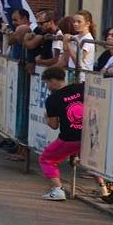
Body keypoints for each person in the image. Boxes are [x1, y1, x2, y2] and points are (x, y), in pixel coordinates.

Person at [38, 67, 84, 201]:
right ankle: (103, 187)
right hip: (90, 136)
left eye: (47, 83)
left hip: (69, 138)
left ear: (52, 81)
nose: (47, 87)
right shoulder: (81, 88)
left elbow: (54, 126)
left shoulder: (52, 99)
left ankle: (58, 189)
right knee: (93, 163)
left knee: (46, 159)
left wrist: (47, 117)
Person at [61, 10, 96, 77]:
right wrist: (65, 40)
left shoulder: (88, 40)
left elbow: (80, 63)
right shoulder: (74, 37)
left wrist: (68, 44)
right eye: (74, 22)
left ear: (87, 24)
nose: (75, 24)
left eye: (79, 22)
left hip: (82, 77)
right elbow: (65, 53)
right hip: (72, 74)